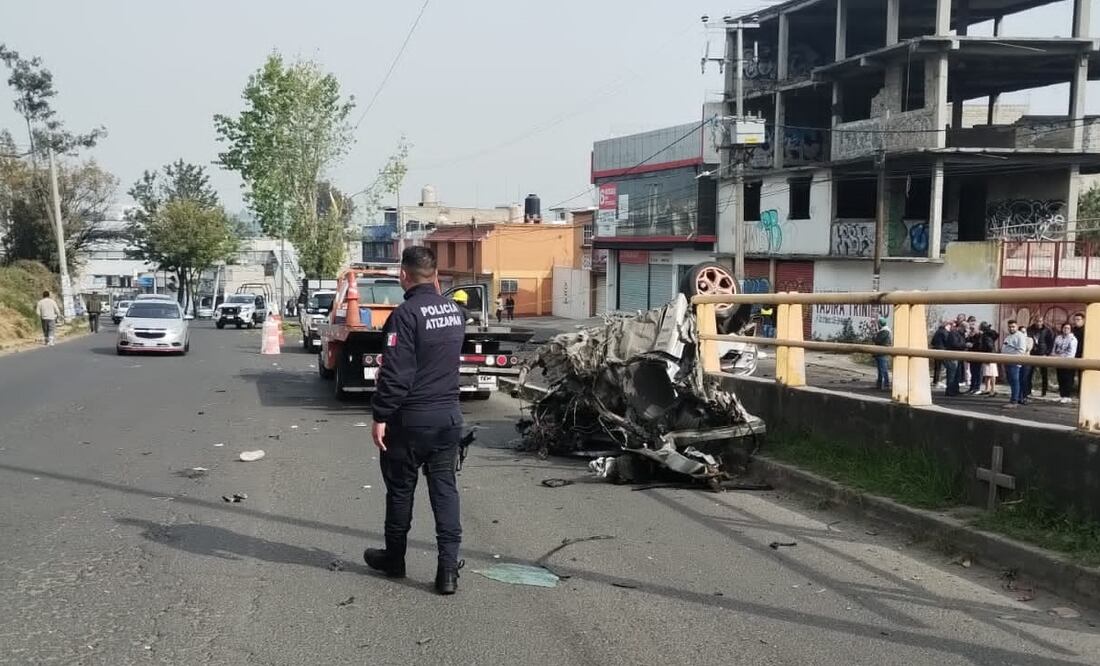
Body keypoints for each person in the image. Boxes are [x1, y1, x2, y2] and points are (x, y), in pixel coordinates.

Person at [366, 246, 466, 595]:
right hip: (448, 418)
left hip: (410, 421)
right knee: (445, 491)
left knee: (400, 490)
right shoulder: (455, 312)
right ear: (436, 275)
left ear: (403, 276)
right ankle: (448, 571)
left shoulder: (404, 315)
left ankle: (394, 560)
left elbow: (395, 374)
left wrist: (380, 415)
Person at [1002, 319, 1029, 407]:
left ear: (1017, 326)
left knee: (1015, 381)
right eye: (1009, 327)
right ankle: (1018, 398)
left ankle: (1014, 401)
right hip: (1007, 361)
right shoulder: (1009, 336)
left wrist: (1013, 358)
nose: (1011, 328)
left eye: (1013, 327)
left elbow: (1021, 350)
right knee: (1012, 381)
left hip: (1014, 362)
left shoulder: (1020, 336)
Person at [1024, 316, 1053, 399]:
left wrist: (1047, 353)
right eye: (1037, 321)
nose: (1038, 323)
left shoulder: (1047, 330)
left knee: (1044, 373)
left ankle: (1044, 392)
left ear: (1043, 321)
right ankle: (1028, 391)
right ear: (1034, 321)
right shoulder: (1029, 329)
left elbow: (1050, 343)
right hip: (1032, 353)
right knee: (1029, 373)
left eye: (1040, 321)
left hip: (1042, 354)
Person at [1053, 322, 1078, 404]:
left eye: (1068, 328)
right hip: (1058, 361)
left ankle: (1067, 396)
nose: (1066, 329)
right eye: (1064, 328)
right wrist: (1054, 356)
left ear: (1070, 330)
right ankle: (1062, 395)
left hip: (1068, 362)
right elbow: (1054, 349)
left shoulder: (1073, 339)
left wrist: (1060, 356)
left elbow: (1071, 353)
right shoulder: (1058, 338)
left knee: (1067, 379)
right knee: (1060, 378)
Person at [943, 320, 968, 396]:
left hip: (958, 356)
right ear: (961, 327)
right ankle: (949, 391)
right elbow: (954, 344)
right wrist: (965, 345)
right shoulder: (953, 333)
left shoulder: (960, 334)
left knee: (957, 374)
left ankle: (955, 389)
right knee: (952, 374)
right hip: (952, 356)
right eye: (965, 329)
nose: (965, 331)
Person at [978, 322, 999, 396]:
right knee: (988, 373)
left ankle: (992, 389)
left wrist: (985, 352)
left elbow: (989, 346)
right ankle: (987, 388)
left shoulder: (986, 336)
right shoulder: (990, 334)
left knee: (992, 374)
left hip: (989, 355)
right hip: (991, 354)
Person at [872, 316, 892, 390]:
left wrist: (874, 336)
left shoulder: (884, 331)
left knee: (883, 370)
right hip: (882, 353)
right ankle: (880, 385)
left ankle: (885, 385)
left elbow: (877, 340)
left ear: (880, 324)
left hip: (882, 353)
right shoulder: (885, 331)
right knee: (882, 370)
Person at [965, 320, 984, 394]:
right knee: (972, 372)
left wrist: (972, 345)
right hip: (971, 356)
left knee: (978, 372)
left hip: (978, 356)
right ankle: (972, 387)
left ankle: (977, 388)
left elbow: (980, 345)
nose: (971, 330)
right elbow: (966, 342)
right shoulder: (970, 336)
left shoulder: (980, 335)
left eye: (973, 328)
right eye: (970, 328)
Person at [930, 320, 949, 388]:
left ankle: (935, 381)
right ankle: (940, 381)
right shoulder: (945, 332)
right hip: (943, 350)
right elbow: (947, 341)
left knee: (937, 367)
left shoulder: (937, 331)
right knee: (946, 366)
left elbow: (932, 342)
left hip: (936, 350)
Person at [1072, 311, 1086, 394]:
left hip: (1082, 354)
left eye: (1078, 319)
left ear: (1083, 320)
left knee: (1081, 374)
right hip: (1073, 354)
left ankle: (1081, 391)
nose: (1076, 321)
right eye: (1075, 319)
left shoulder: (1086, 330)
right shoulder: (1073, 330)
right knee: (1071, 373)